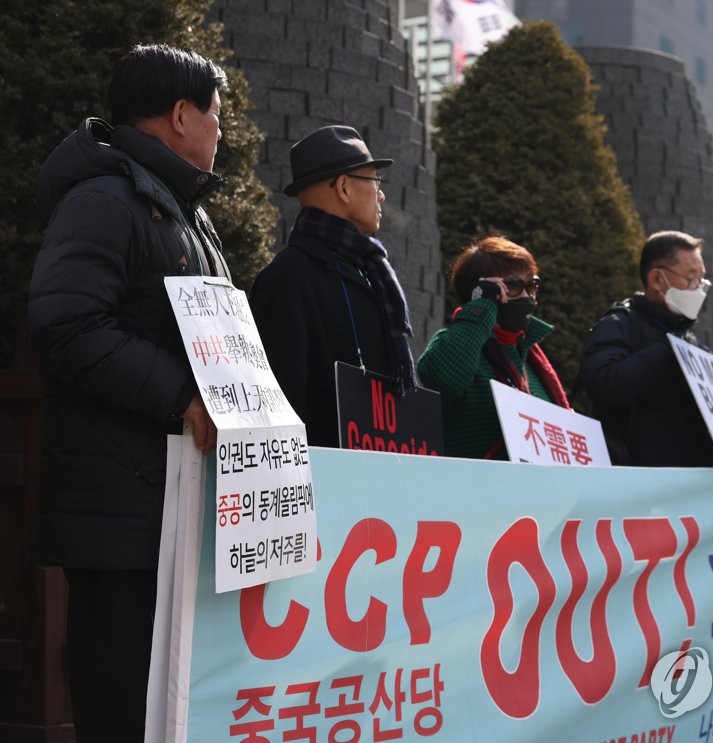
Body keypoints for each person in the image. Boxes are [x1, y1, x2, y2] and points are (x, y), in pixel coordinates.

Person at [27, 44, 228, 742]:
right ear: (180, 115)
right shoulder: (107, 199)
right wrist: (182, 394)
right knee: (121, 707)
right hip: (121, 516)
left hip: (165, 506)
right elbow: (65, 321)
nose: (220, 131)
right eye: (216, 115)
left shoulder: (179, 210)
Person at [249, 125, 416, 447]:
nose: (381, 194)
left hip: (378, 476)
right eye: (375, 180)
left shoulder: (373, 272)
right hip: (323, 483)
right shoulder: (288, 278)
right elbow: (280, 409)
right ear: (343, 187)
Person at [416, 236, 569, 459]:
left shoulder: (532, 357)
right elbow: (442, 379)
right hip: (474, 489)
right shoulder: (455, 344)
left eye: (532, 285)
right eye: (515, 285)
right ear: (482, 291)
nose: (527, 296)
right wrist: (481, 307)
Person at [579, 230, 713, 467]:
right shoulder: (619, 325)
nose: (698, 288)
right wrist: (668, 348)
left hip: (687, 486)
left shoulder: (691, 339)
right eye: (690, 278)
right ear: (657, 279)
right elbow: (603, 385)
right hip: (633, 481)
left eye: (702, 279)